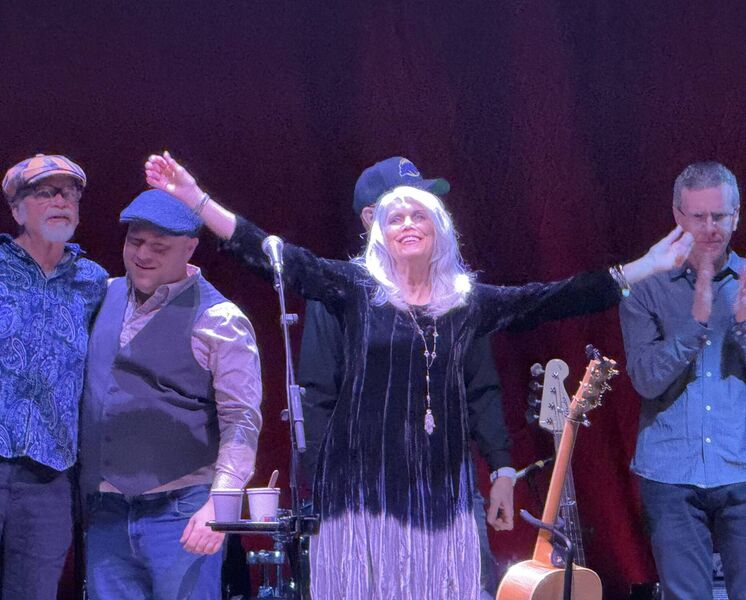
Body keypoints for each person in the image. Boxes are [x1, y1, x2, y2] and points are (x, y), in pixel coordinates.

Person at [144, 150, 692, 599]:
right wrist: (197, 199)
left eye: (419, 215)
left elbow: (552, 299)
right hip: (361, 496)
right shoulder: (354, 289)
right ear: (378, 232)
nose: (408, 224)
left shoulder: (465, 303)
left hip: (440, 497)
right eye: (395, 217)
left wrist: (644, 268)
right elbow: (274, 256)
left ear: (440, 230)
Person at [298, 156, 510, 596]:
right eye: (403, 208)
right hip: (365, 492)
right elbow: (317, 395)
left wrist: (503, 467)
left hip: (447, 487)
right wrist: (324, 492)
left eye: (426, 207)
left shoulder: (456, 297)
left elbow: (481, 385)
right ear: (372, 219)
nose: (419, 216)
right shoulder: (342, 295)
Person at [619, 161, 746, 600]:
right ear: (678, 216)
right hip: (671, 474)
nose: (710, 227)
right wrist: (695, 324)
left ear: (736, 215)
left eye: (720, 216)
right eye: (699, 216)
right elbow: (645, 380)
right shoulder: (646, 286)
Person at [79, 189, 263, 599]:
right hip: (107, 513)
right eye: (135, 242)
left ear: (190, 248)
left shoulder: (219, 320)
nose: (143, 254)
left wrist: (221, 505)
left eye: (159, 247)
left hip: (181, 513)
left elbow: (242, 420)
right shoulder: (100, 295)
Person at [0, 154, 107, 599]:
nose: (61, 201)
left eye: (70, 193)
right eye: (46, 192)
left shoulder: (94, 281)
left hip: (50, 474)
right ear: (17, 209)